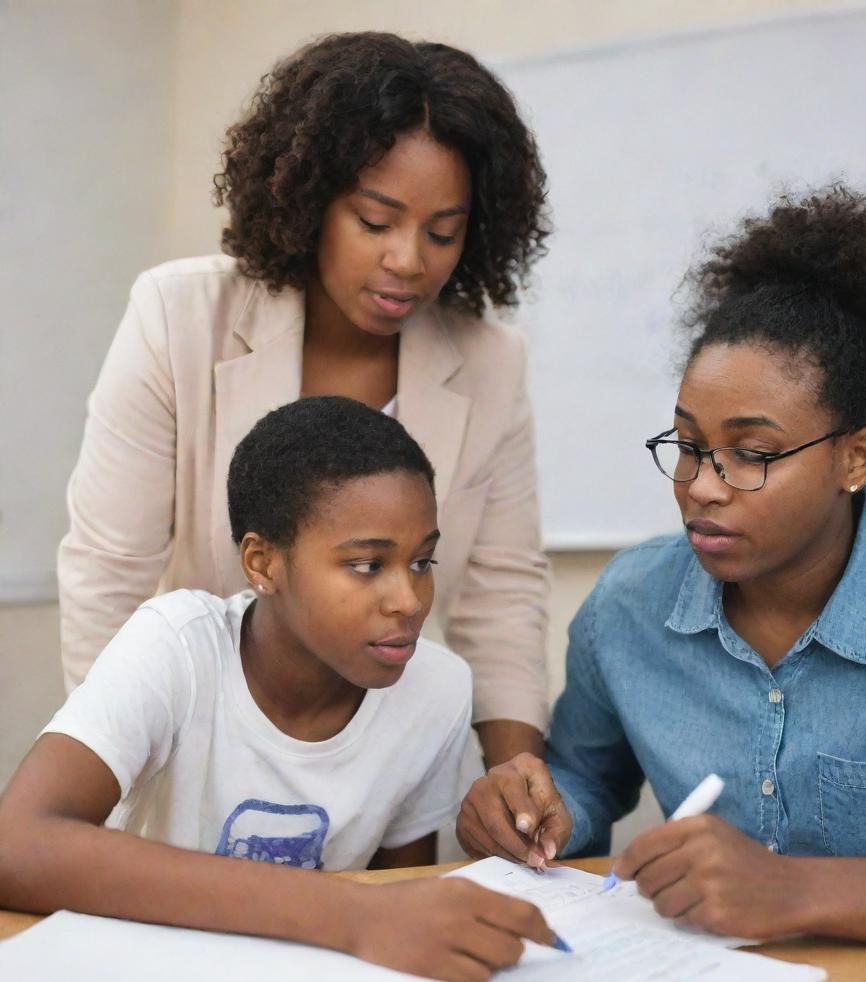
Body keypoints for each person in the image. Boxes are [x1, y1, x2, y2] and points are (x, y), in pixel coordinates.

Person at [457, 185, 866, 952]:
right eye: (688, 445)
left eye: (752, 455)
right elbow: (586, 781)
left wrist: (792, 890)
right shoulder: (628, 607)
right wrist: (529, 809)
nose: (701, 485)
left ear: (855, 456)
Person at [57, 32, 551, 769]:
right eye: (375, 222)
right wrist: (118, 779)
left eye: (443, 232)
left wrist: (516, 770)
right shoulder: (180, 316)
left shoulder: (490, 361)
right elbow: (108, 573)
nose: (408, 262)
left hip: (375, 766)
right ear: (310, 199)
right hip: (191, 750)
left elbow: (501, 596)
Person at [0, 397, 557, 982]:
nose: (409, 600)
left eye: (423, 562)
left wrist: (374, 920)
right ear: (263, 563)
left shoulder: (437, 690)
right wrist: (351, 915)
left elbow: (398, 899)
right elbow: (16, 843)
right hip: (147, 980)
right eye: (367, 565)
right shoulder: (178, 649)